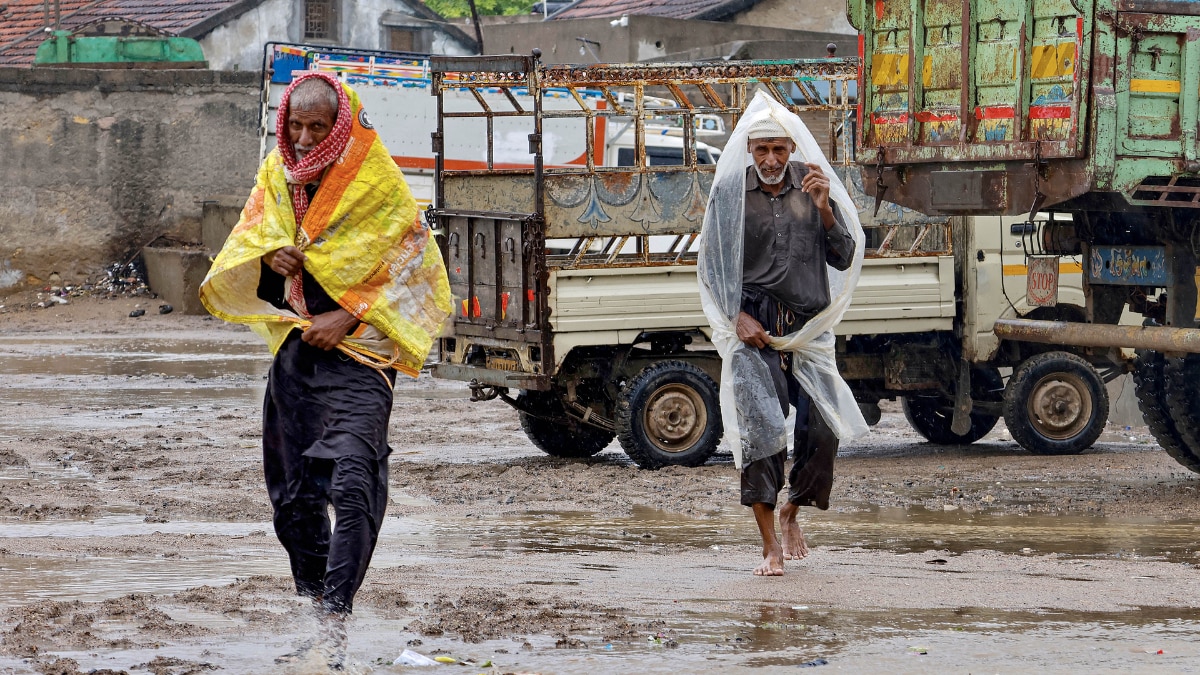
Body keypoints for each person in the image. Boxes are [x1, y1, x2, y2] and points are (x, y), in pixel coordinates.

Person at [199, 72, 450, 661]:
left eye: (319, 126)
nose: (306, 138)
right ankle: (316, 610)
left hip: (362, 359)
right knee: (293, 497)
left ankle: (337, 618)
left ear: (342, 123)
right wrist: (273, 258)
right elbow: (252, 262)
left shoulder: (377, 182)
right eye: (296, 125)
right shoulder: (276, 177)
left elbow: (416, 270)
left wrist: (347, 315)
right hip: (296, 356)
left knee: (353, 480)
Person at [724, 115, 856, 576]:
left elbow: (843, 256)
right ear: (748, 149)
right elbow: (711, 269)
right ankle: (769, 548)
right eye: (762, 150)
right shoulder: (730, 195)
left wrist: (823, 209)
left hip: (809, 326)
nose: (771, 160)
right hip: (755, 329)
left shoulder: (815, 184)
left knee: (823, 429)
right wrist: (736, 317)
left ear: (792, 146)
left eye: (779, 149)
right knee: (762, 434)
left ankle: (792, 511)